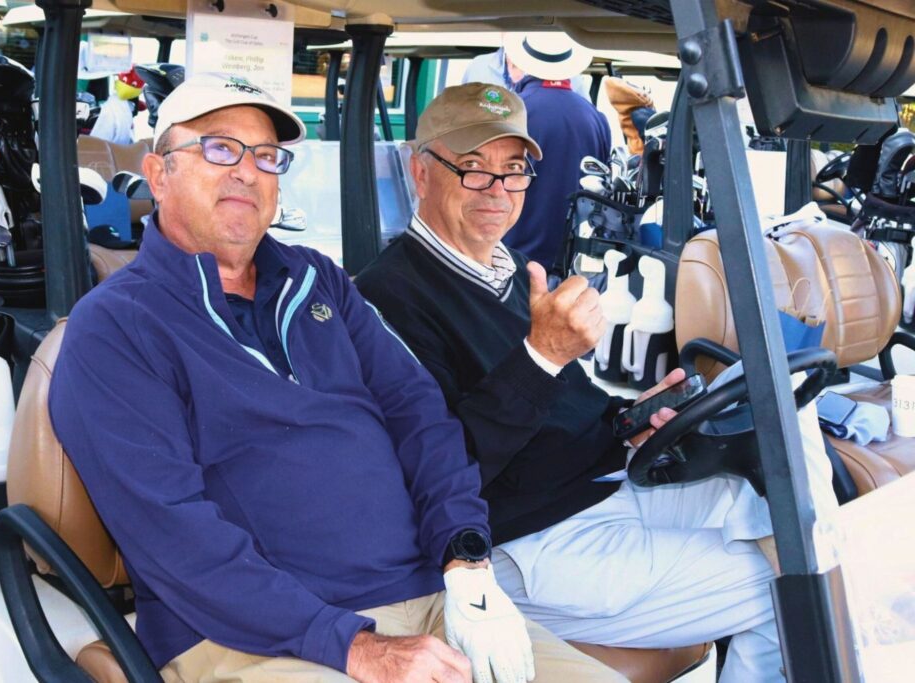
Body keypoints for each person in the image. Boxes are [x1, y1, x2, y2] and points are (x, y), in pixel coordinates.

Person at [48, 72, 625, 683]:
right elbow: (174, 537)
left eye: (267, 156)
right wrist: (354, 647)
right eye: (219, 148)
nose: (247, 170)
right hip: (252, 636)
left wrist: (466, 557)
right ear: (159, 173)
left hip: (428, 599)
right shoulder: (117, 327)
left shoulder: (318, 282)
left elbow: (420, 418)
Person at [355, 82, 837, 682]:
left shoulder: (505, 270)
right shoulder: (384, 300)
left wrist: (628, 421)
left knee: (791, 508)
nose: (499, 191)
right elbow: (443, 470)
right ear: (419, 172)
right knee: (799, 579)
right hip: (518, 542)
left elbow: (557, 408)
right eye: (473, 170)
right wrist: (541, 355)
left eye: (514, 171)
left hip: (599, 491)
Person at [499, 32, 610, 273]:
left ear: (518, 64)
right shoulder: (595, 117)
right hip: (574, 262)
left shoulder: (510, 113)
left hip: (515, 261)